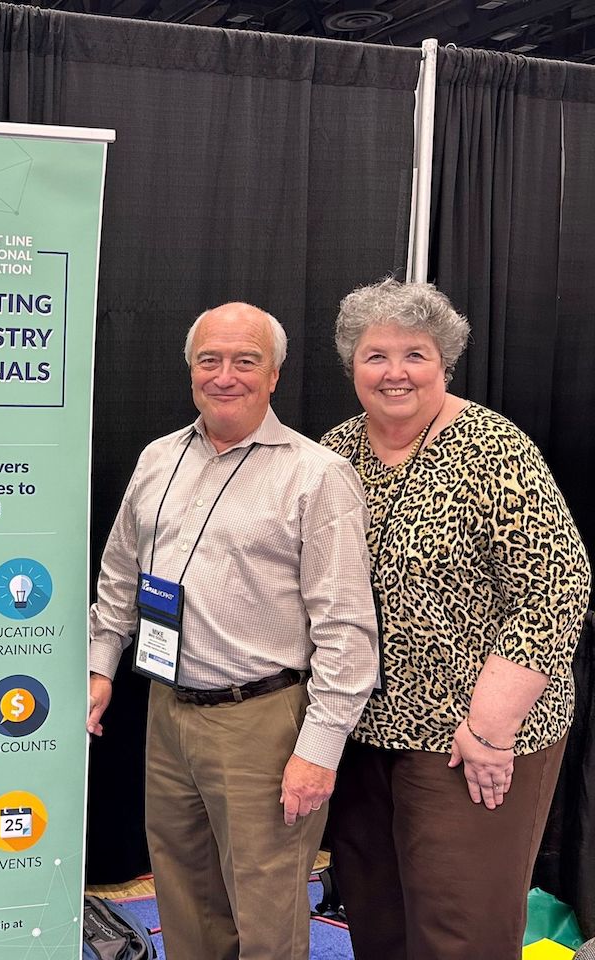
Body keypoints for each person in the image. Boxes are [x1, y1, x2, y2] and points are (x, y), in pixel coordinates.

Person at [87, 301, 379, 960]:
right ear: (191, 369)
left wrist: (319, 750)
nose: (226, 375)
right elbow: (119, 576)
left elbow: (346, 629)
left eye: (245, 361)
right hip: (168, 712)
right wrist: (101, 665)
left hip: (264, 724)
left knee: (267, 913)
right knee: (184, 898)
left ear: (274, 374)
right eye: (209, 360)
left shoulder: (317, 476)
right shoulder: (158, 459)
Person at [319, 278, 590, 960]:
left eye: (415, 354)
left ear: (445, 361)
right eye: (376, 355)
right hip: (361, 735)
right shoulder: (335, 453)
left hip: (469, 742)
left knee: (458, 932)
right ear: (352, 363)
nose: (395, 373)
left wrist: (491, 731)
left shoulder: (493, 450)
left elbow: (557, 588)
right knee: (378, 919)